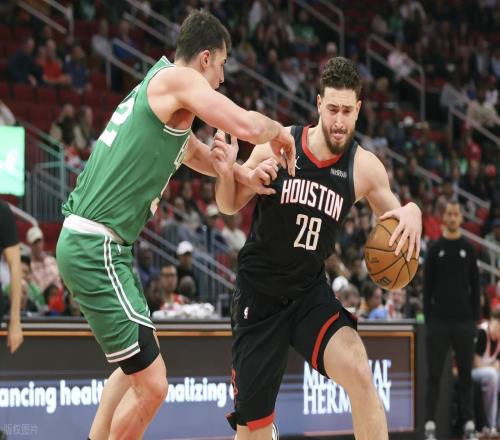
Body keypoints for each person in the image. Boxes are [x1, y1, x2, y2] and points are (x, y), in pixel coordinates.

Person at [55, 10, 295, 440]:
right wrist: (279, 130)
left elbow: (194, 153)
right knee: (153, 387)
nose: (221, 78)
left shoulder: (163, 92)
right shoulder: (178, 80)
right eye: (221, 65)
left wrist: (242, 174)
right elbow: (243, 124)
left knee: (132, 369)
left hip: (100, 245)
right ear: (205, 58)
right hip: (96, 246)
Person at [210, 56, 421, 440]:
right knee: (253, 430)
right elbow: (228, 204)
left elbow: (397, 217)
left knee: (359, 371)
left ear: (359, 109)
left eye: (347, 111)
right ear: (319, 103)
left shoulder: (364, 167)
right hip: (259, 295)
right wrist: (227, 172)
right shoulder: (279, 145)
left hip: (308, 292)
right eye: (333, 109)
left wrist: (415, 212)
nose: (339, 120)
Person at [423, 201, 480, 440]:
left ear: (461, 218)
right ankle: (429, 425)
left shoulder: (469, 249)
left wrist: (474, 321)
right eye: (449, 213)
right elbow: (426, 289)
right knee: (434, 376)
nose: (453, 217)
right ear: (444, 217)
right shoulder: (435, 249)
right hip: (439, 323)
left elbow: (476, 288)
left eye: (456, 213)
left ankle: (469, 425)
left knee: (466, 375)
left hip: (464, 323)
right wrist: (429, 321)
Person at [472, 310, 500, 436]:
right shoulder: (482, 333)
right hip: (474, 372)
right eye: (498, 327)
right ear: (492, 321)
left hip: (489, 371)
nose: (498, 331)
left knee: (495, 376)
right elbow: (476, 363)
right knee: (492, 375)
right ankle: (490, 424)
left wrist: (494, 367)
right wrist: (493, 367)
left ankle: (497, 424)